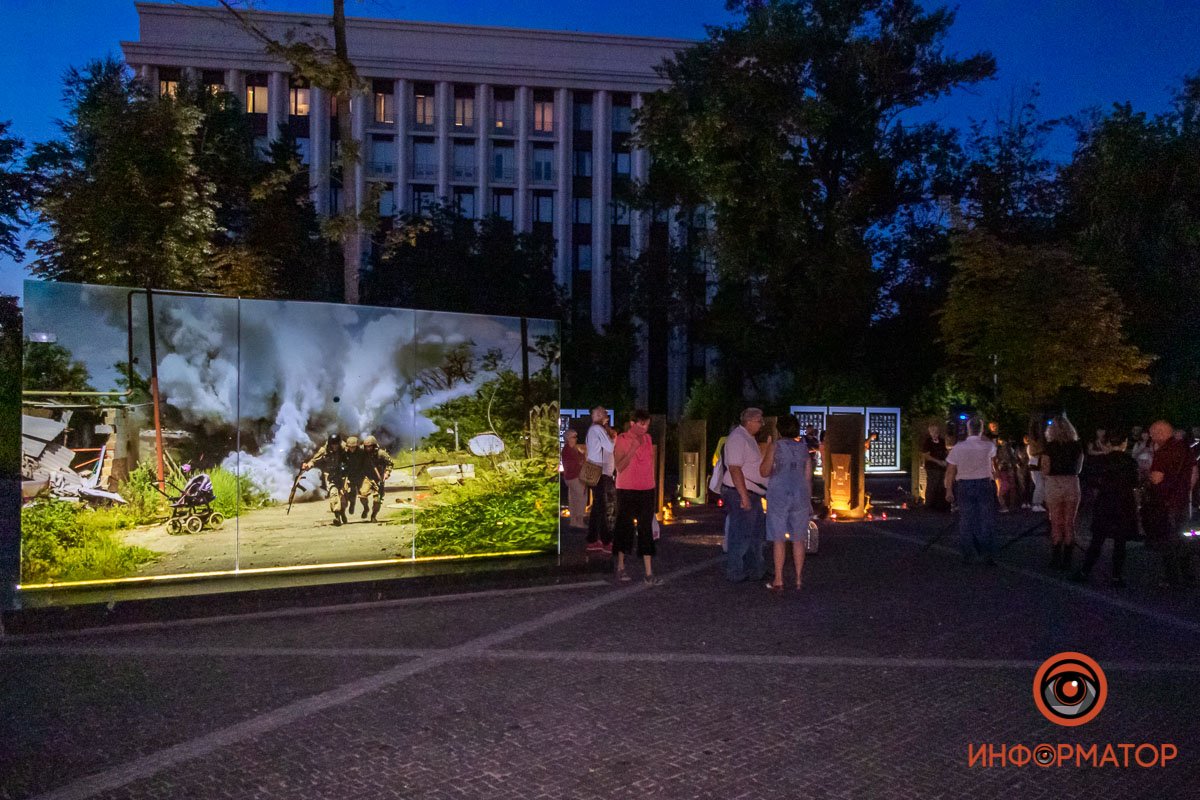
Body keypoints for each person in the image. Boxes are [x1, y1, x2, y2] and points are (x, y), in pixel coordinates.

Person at [1072, 433, 1138, 587]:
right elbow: (1135, 482)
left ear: (1107, 444)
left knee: (1097, 540)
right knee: (1120, 542)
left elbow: (1090, 480)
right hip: (1124, 503)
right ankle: (1116, 576)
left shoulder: (1101, 461)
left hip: (1105, 502)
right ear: (1124, 443)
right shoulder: (1130, 462)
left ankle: (1085, 571)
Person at [761, 414, 812, 591]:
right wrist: (808, 499)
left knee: (778, 538)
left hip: (779, 493)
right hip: (800, 493)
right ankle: (798, 578)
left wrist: (767, 449)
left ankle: (779, 579)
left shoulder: (775, 446)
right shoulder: (804, 448)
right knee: (798, 538)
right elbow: (808, 476)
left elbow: (764, 471)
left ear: (779, 429)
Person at [1145, 420, 1197, 588]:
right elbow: (1194, 471)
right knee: (1183, 538)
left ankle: (1172, 578)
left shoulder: (1163, 451)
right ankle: (1187, 574)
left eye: (1153, 434)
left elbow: (1156, 478)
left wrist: (1148, 475)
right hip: (1183, 501)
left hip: (1166, 502)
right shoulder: (1185, 448)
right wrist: (1186, 489)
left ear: (1160, 433)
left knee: (1168, 540)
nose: (1152, 438)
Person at [612, 409, 660, 585]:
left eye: (647, 424)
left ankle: (649, 572)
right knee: (624, 527)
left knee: (645, 528)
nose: (645, 428)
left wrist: (652, 482)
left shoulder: (648, 439)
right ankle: (620, 566)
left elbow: (649, 462)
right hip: (627, 489)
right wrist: (633, 449)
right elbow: (619, 466)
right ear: (632, 424)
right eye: (642, 424)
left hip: (646, 489)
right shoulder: (622, 439)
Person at [722, 407, 769, 582]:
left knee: (755, 532)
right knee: (741, 533)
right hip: (740, 492)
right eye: (759, 421)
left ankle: (755, 568)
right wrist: (744, 496)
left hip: (751, 492)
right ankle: (735, 570)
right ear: (749, 421)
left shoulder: (748, 438)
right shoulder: (738, 438)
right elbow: (735, 469)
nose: (761, 424)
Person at [944, 416, 997, 565]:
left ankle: (967, 553)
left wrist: (949, 490)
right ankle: (986, 553)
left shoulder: (958, 447)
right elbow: (993, 457)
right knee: (985, 519)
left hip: (964, 484)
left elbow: (950, 470)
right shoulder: (988, 446)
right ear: (981, 429)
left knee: (966, 519)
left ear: (968, 429)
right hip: (983, 483)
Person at [1042, 415, 1085, 570]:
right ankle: (1067, 559)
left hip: (1054, 483)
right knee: (1069, 522)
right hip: (1071, 482)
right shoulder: (1077, 446)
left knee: (1055, 521)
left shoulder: (1049, 447)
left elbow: (1046, 469)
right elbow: (1078, 469)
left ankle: (1056, 558)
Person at [584, 406, 616, 554]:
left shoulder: (592, 429)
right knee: (601, 506)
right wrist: (613, 438)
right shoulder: (597, 429)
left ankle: (592, 540)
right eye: (603, 413)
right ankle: (605, 541)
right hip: (599, 471)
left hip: (593, 470)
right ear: (597, 415)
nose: (606, 415)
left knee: (598, 507)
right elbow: (610, 447)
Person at [303, 433, 348, 525]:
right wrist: (308, 466)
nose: (335, 446)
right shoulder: (324, 450)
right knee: (333, 494)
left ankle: (342, 512)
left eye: (336, 444)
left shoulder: (344, 448)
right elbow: (314, 460)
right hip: (331, 475)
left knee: (343, 497)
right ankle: (337, 516)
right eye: (333, 445)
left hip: (342, 475)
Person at [355, 435, 392, 522]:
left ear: (374, 445)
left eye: (370, 446)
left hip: (378, 478)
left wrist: (387, 473)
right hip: (366, 477)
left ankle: (373, 516)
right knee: (362, 495)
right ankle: (366, 508)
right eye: (366, 446)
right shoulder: (361, 452)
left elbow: (390, 463)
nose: (368, 448)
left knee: (377, 499)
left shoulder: (381, 453)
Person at [560, 428, 587, 531]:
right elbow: (576, 463)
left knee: (573, 499)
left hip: (570, 477)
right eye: (574, 437)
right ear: (569, 438)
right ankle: (579, 521)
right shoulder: (569, 450)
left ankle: (574, 521)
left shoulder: (570, 449)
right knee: (580, 499)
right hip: (575, 477)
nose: (576, 439)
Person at [920, 424, 950, 512]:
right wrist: (938, 461)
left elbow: (945, 451)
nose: (935, 433)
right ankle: (929, 504)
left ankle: (939, 504)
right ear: (930, 432)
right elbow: (926, 455)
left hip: (941, 467)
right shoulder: (928, 442)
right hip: (932, 467)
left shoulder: (942, 441)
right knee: (932, 484)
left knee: (941, 485)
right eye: (933, 431)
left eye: (936, 431)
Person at [1026, 433, 1046, 512]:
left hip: (1038, 467)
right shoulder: (1030, 447)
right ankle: (1035, 503)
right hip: (1034, 466)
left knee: (1041, 486)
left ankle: (1039, 503)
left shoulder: (1036, 447)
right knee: (1039, 485)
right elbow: (1034, 455)